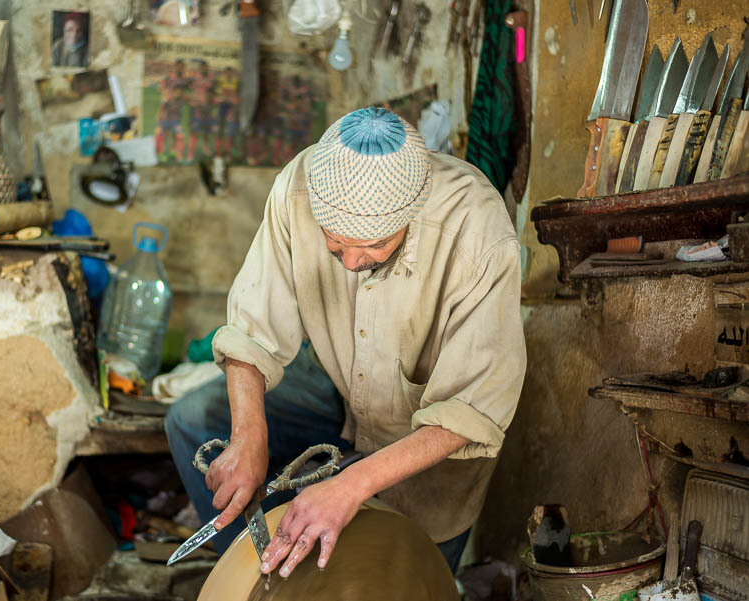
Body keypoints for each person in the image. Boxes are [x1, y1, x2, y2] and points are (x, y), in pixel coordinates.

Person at [165, 107, 526, 578]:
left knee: (408, 578)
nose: (353, 263)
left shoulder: (476, 229)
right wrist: (247, 437)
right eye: (335, 247)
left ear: (412, 214)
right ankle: (263, 570)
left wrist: (351, 485)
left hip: (427, 435)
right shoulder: (299, 186)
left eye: (374, 248)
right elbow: (251, 331)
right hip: (338, 387)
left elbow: (474, 407)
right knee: (193, 419)